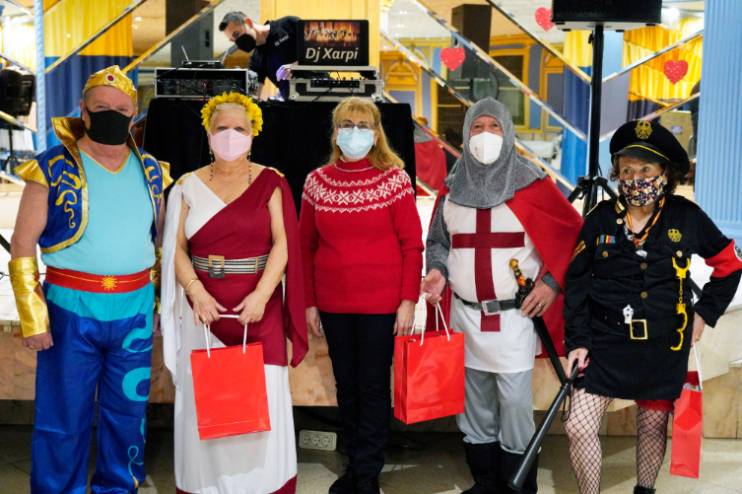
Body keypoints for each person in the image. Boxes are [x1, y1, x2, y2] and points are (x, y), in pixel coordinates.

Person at [9, 65, 171, 492]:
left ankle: (118, 487)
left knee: (128, 415)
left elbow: (157, 244)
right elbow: (22, 245)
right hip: (70, 309)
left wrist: (156, 304)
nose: (112, 115)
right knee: (63, 417)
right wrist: (33, 317)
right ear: (82, 110)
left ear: (134, 114)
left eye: (122, 108)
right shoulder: (51, 167)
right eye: (101, 107)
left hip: (135, 309)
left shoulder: (152, 170)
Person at [563, 120, 742, 494]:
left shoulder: (685, 216)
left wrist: (704, 314)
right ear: (617, 172)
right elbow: (577, 283)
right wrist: (577, 340)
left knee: (651, 425)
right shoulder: (600, 218)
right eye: (627, 170)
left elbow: (729, 265)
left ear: (665, 173)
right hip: (604, 342)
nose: (636, 178)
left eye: (646, 169)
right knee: (578, 426)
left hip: (663, 343)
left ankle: (644, 491)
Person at [421, 97, 582, 494]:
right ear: (466, 133)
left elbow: (574, 237)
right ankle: (485, 483)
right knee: (473, 404)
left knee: (514, 406)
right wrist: (437, 270)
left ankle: (519, 486)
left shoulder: (531, 184)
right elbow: (438, 242)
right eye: (477, 127)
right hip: (464, 315)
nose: (485, 135)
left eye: (494, 126)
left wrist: (551, 283)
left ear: (507, 132)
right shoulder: (452, 188)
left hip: (514, 318)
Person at [160, 91, 308, 494]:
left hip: (259, 310)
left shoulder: (272, 182)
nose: (230, 135)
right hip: (202, 311)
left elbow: (283, 243)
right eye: (221, 128)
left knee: (261, 401)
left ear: (253, 133)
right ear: (208, 133)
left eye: (239, 128)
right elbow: (174, 248)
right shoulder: (186, 186)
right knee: (204, 400)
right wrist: (196, 291)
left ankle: (263, 485)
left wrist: (262, 294)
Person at [299, 97, 423, 494]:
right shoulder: (316, 182)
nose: (355, 132)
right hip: (333, 303)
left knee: (372, 387)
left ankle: (367, 473)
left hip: (380, 305)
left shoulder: (394, 180)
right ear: (335, 132)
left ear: (376, 132)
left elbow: (412, 244)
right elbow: (305, 248)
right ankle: (353, 465)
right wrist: (309, 303)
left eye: (363, 125)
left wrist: (408, 300)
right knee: (347, 387)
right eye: (347, 124)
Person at [219, 11, 300, 100]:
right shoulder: (256, 60)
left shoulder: (288, 24)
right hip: (292, 103)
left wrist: (295, 66)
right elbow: (253, 95)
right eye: (233, 40)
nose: (237, 42)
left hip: (312, 94)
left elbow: (313, 51)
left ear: (248, 23)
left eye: (236, 34)